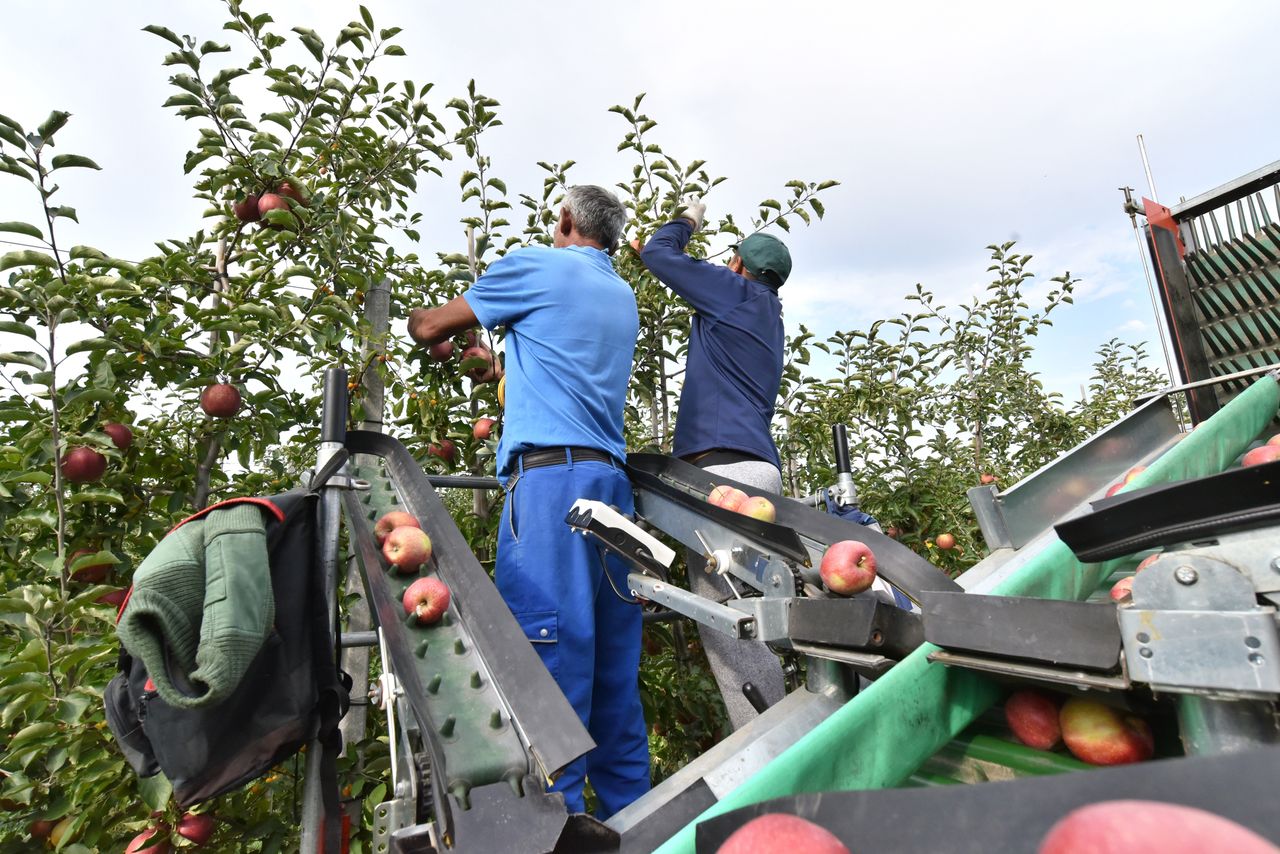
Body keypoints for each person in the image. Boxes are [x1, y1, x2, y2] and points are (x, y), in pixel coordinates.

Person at [406, 185, 649, 818]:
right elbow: (562, 358)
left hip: (550, 491)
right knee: (613, 671)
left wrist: (424, 328)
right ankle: (639, 819)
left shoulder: (534, 265)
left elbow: (430, 326)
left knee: (547, 663)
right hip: (611, 488)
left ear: (566, 220)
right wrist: (504, 360)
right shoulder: (620, 296)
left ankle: (557, 826)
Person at [639, 199, 793, 730]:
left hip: (722, 479)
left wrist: (685, 219)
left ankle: (769, 750)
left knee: (727, 628)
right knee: (755, 614)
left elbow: (659, 254)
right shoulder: (769, 313)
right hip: (759, 474)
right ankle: (788, 723)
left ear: (736, 265)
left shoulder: (735, 291)